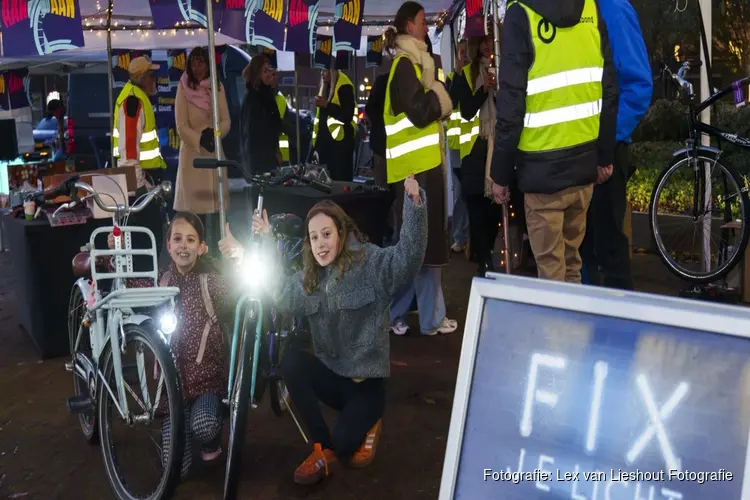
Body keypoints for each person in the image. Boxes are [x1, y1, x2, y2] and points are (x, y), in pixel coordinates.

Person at [218, 175, 428, 485]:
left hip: (366, 384)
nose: (320, 243)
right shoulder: (310, 278)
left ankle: (366, 425)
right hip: (334, 378)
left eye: (326, 234)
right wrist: (250, 249)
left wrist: (414, 205)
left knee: (347, 445)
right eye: (314, 237)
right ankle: (322, 448)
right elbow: (280, 291)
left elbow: (407, 260)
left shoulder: (370, 263)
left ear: (341, 233)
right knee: (292, 362)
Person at [489, 0, 619, 283]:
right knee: (572, 265)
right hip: (583, 169)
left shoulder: (520, 13)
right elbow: (609, 90)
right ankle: (574, 326)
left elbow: (511, 104)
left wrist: (499, 173)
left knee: (550, 271)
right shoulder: (590, 8)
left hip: (541, 174)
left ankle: (558, 328)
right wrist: (604, 156)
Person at [110, 212, 231, 478]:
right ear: (168, 245)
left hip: (206, 384)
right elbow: (132, 287)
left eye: (190, 240)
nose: (183, 246)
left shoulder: (210, 282)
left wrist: (236, 258)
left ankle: (211, 439)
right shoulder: (162, 281)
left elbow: (239, 289)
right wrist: (114, 257)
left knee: (205, 424)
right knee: (176, 469)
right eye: (177, 239)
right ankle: (182, 432)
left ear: (201, 247)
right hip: (171, 390)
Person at [382, 1, 457, 336]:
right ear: (408, 25)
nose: (427, 27)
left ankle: (411, 315)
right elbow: (419, 111)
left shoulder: (409, 65)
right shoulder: (405, 67)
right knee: (422, 249)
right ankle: (429, 318)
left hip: (415, 169)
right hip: (418, 172)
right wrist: (441, 96)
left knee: (417, 250)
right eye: (423, 22)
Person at [580, 0, 652, 290]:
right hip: (575, 153)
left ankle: (618, 330)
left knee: (607, 252)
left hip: (603, 154)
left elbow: (638, 87)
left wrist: (605, 144)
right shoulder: (573, 8)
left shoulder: (614, 9)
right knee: (581, 252)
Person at [112, 55, 169, 271]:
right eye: (152, 75)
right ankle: (144, 290)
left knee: (148, 243)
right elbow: (129, 151)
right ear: (143, 77)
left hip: (142, 183)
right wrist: (139, 187)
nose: (155, 80)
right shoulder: (133, 102)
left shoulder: (135, 98)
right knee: (144, 244)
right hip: (139, 187)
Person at [174, 46, 231, 255]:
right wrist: (199, 138)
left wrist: (215, 135)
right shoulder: (182, 87)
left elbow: (226, 120)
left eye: (202, 62)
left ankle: (217, 258)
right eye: (195, 62)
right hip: (193, 158)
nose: (198, 67)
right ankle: (191, 256)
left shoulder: (217, 86)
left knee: (217, 214)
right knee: (193, 215)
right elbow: (180, 125)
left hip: (214, 154)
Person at [454, 34, 503, 276]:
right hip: (473, 149)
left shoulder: (501, 69)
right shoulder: (465, 75)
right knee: (476, 209)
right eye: (483, 41)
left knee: (495, 207)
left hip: (496, 147)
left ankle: (486, 252)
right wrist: (483, 91)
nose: (487, 45)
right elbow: (466, 111)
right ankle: (483, 260)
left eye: (490, 41)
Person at [239, 54, 282, 176]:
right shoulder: (254, 98)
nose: (269, 74)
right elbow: (256, 133)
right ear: (257, 74)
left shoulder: (265, 94)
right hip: (260, 162)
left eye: (269, 70)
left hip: (266, 158)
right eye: (265, 71)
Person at [312, 65, 357, 181]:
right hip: (326, 148)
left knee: (340, 185)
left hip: (340, 150)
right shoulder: (325, 86)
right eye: (321, 70)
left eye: (325, 70)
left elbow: (347, 115)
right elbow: (321, 120)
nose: (322, 73)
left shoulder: (344, 86)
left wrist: (327, 105)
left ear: (333, 70)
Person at [445, 40, 470, 254]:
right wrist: (458, 73)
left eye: (466, 52)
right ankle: (459, 236)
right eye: (460, 52)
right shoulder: (451, 79)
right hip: (456, 147)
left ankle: (470, 236)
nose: (464, 56)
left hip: (474, 145)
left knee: (472, 193)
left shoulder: (475, 77)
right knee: (460, 193)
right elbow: (450, 103)